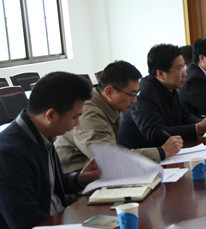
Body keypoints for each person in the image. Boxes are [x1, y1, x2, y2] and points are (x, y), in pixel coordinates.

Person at [0, 72, 102, 229]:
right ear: (51, 115)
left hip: (58, 224)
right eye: (75, 117)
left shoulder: (41, 135)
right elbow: (24, 221)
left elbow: (49, 185)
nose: (77, 123)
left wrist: (80, 178)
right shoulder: (9, 153)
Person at [55, 61, 183, 173]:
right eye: (132, 95)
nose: (135, 100)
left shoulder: (109, 105)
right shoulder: (88, 113)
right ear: (109, 92)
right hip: (80, 182)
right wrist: (161, 152)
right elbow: (108, 158)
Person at [117, 44, 206, 149]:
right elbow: (155, 133)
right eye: (180, 69)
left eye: (184, 67)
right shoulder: (144, 95)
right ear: (161, 74)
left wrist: (204, 122)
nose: (185, 74)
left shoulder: (169, 87)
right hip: (139, 154)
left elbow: (184, 115)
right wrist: (197, 128)